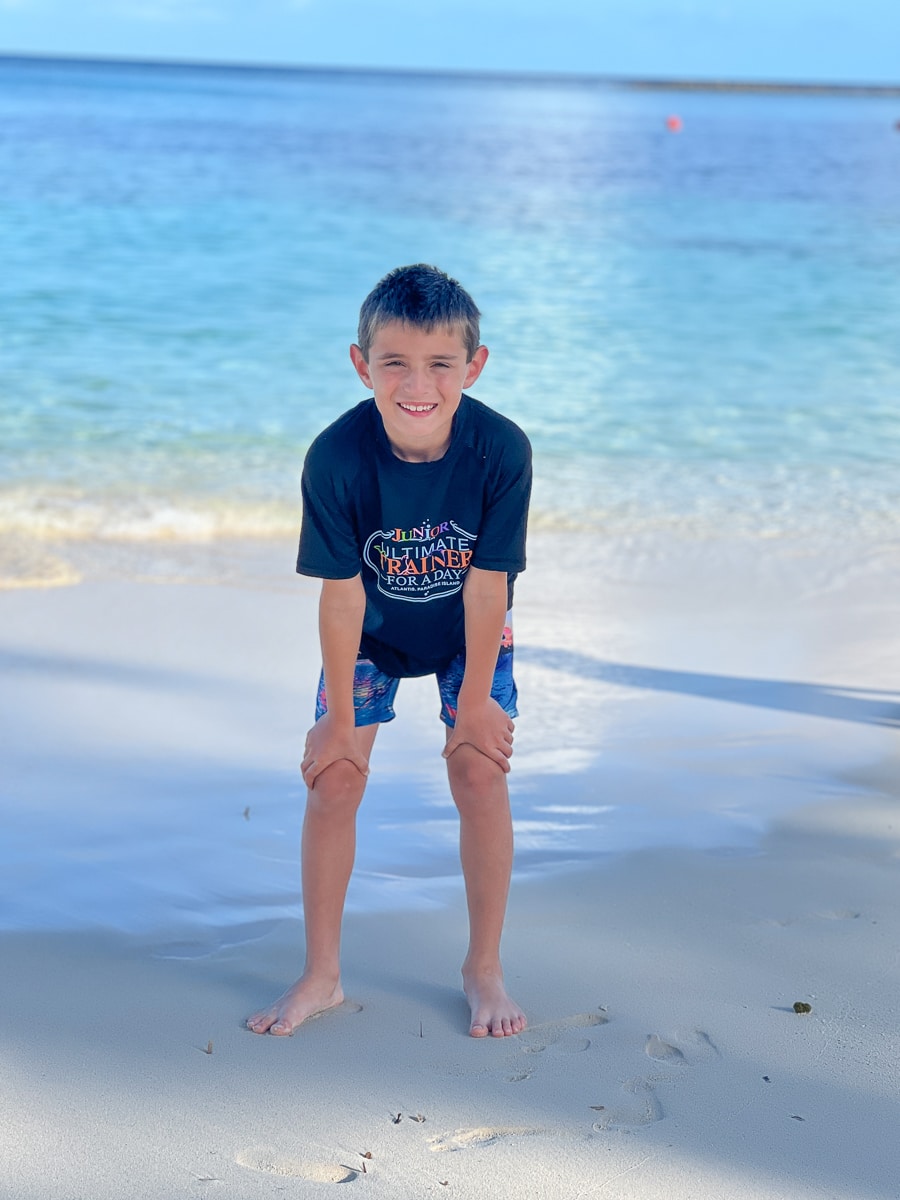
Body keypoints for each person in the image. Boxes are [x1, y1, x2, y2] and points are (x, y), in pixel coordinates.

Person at [247, 264, 532, 1039]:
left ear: (473, 366)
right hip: (369, 631)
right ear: (360, 363)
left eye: (441, 364)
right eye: (395, 362)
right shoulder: (337, 457)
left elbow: (487, 586)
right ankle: (321, 974)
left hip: (467, 632)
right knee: (334, 780)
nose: (419, 384)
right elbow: (341, 596)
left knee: (478, 770)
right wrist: (339, 720)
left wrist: (473, 704)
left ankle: (483, 968)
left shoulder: (500, 449)